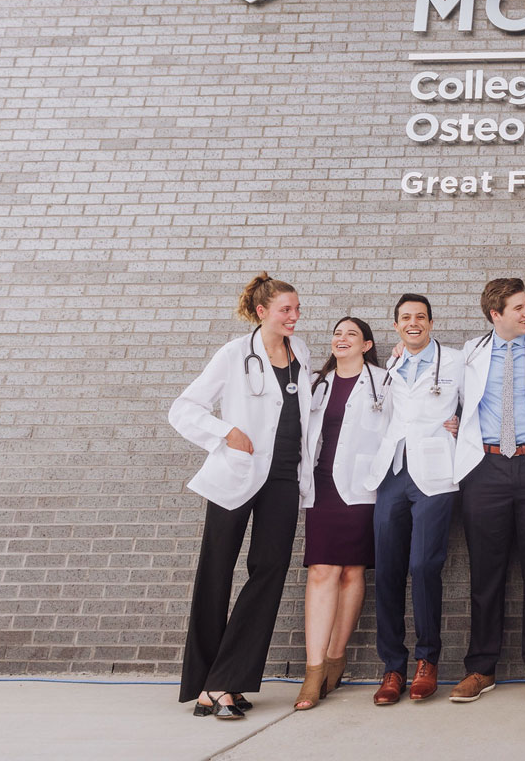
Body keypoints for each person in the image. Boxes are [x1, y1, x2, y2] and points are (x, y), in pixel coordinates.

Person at [169, 273, 314, 719]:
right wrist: (224, 432)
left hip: (284, 479)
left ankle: (224, 681)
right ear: (262, 312)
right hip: (237, 474)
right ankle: (207, 684)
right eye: (285, 309)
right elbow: (184, 408)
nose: (294, 316)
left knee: (268, 573)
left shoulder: (302, 352)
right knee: (216, 572)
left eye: (296, 308)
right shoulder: (234, 354)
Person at [449, 278, 525, 705]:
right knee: (486, 573)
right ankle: (481, 669)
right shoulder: (470, 352)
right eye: (518, 308)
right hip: (485, 468)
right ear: (495, 314)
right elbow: (441, 383)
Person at [362, 294, 464, 705]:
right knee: (386, 568)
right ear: (396, 327)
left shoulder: (457, 361)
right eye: (406, 318)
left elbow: (483, 402)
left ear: (432, 323)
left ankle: (427, 661)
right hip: (392, 472)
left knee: (424, 566)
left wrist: (463, 423)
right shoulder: (390, 365)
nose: (414, 323)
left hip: (435, 473)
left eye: (420, 317)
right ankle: (392, 667)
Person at [292, 316, 385, 710]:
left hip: (363, 486)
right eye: (337, 333)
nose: (341, 338)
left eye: (351, 334)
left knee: (352, 571)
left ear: (366, 345)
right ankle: (314, 672)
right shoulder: (314, 383)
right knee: (322, 570)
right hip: (322, 485)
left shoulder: (386, 380)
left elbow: (408, 423)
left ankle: (336, 656)